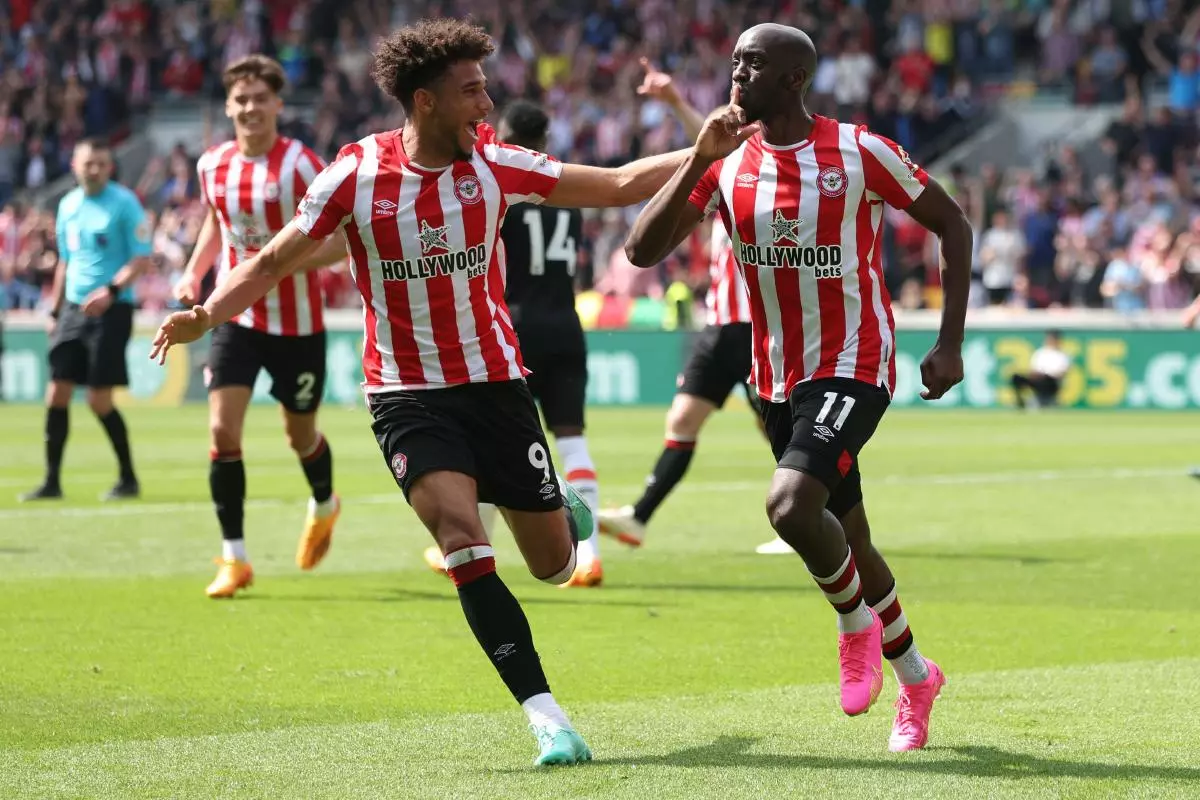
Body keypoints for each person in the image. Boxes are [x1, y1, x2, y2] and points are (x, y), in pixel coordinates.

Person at [149, 18, 691, 766]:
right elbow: (272, 260)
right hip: (405, 394)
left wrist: (708, 151)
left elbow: (620, 183)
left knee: (555, 565)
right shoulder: (353, 174)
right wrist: (207, 313)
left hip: (496, 386)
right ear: (426, 101)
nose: (487, 104)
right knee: (463, 542)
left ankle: (559, 509)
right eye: (472, 91)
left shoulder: (494, 163)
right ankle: (548, 719)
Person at [624, 23, 972, 752]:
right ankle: (917, 676)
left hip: (855, 361)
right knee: (851, 539)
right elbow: (641, 249)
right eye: (734, 61)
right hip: (776, 375)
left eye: (751, 64)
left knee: (788, 506)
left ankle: (853, 624)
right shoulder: (727, 162)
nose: (735, 74)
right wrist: (697, 158)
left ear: (792, 79)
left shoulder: (861, 151)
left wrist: (949, 342)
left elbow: (952, 223)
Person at [172, 55, 350, 599]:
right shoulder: (212, 165)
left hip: (298, 325)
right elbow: (216, 222)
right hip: (236, 317)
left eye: (260, 98)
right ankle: (235, 558)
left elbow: (342, 239)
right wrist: (194, 272)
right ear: (229, 107)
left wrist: (277, 264)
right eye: (241, 99)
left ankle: (325, 502)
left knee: (300, 436)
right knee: (222, 431)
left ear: (277, 104)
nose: (250, 108)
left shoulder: (300, 164)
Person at [596, 62, 788, 555]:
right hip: (721, 325)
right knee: (683, 419)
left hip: (756, 326)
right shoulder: (723, 182)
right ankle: (640, 517)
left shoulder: (760, 176)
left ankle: (809, 515)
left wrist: (677, 101)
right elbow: (710, 146)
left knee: (780, 427)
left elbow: (721, 143)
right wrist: (674, 102)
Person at [421, 99, 604, 587]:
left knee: (490, 442)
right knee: (573, 439)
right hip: (565, 323)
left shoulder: (500, 187)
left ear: (507, 136)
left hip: (516, 329)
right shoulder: (566, 198)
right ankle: (591, 556)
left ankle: (474, 541)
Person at [21, 138, 152, 502]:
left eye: (101, 164)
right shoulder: (68, 205)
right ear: (74, 166)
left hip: (112, 310)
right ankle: (51, 482)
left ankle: (128, 478)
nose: (94, 169)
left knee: (98, 400)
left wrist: (111, 290)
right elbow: (66, 261)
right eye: (88, 163)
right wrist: (54, 310)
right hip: (73, 309)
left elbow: (142, 259)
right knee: (56, 392)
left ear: (110, 167)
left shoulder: (125, 203)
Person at [1010, 330, 1069, 409]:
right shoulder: (1040, 353)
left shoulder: (1062, 355)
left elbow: (1062, 373)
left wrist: (1047, 375)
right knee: (1016, 377)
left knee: (1046, 379)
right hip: (1038, 380)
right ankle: (1020, 402)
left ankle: (1043, 401)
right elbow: (1033, 370)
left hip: (1051, 382)